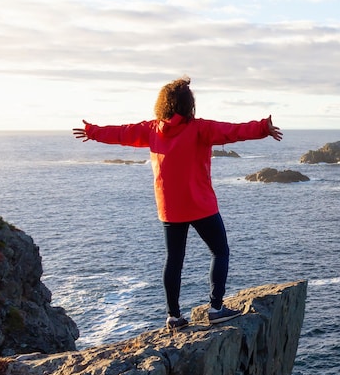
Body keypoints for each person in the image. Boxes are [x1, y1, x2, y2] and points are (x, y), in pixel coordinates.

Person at [73, 76, 283, 330]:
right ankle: (216, 308)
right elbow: (232, 131)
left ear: (162, 105)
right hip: (200, 203)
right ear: (189, 105)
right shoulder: (199, 128)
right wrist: (262, 127)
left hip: (170, 207)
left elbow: (121, 133)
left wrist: (92, 131)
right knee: (220, 251)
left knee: (174, 259)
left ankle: (174, 316)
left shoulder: (152, 129)